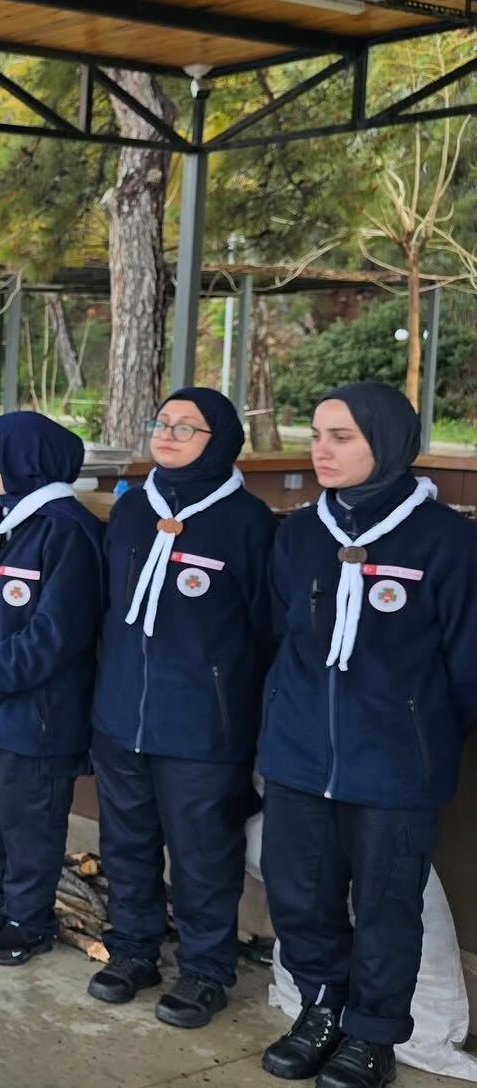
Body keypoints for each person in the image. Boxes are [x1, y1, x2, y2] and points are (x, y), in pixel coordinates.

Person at [256, 383, 477, 1088]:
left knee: (387, 906)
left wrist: (415, 736)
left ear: (386, 441)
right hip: (298, 757)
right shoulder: (299, 534)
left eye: (342, 436)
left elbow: (466, 666)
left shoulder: (447, 541)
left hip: (393, 767)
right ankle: (320, 1007)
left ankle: (373, 1033)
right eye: (317, 434)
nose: (321, 450)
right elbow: (278, 635)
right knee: (300, 894)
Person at [90, 388, 276, 1027]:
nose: (167, 434)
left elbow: (266, 630)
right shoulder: (133, 508)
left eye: (186, 428)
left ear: (219, 441)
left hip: (203, 725)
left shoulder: (247, 523)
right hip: (121, 715)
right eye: (161, 422)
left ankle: (205, 970)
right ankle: (133, 948)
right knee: (126, 842)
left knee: (203, 854)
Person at [0, 412, 103, 966]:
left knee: (28, 821)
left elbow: (53, 634)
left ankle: (30, 918)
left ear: (21, 460)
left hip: (34, 715)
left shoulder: (65, 530)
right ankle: (1, 903)